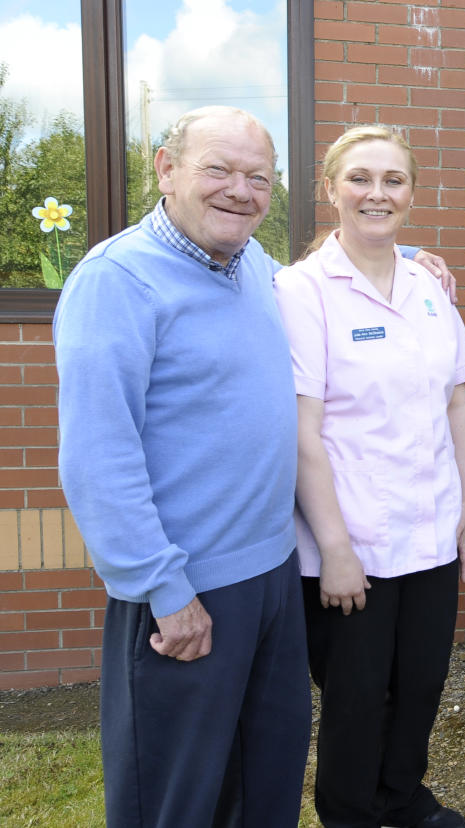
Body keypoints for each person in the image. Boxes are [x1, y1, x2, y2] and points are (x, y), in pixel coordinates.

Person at [54, 106, 311, 827]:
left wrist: (412, 262)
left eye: (258, 177)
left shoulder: (252, 263)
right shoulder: (118, 281)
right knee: (177, 800)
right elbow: (97, 456)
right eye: (219, 170)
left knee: (265, 785)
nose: (240, 190)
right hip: (185, 590)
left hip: (270, 577)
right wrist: (163, 587)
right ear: (167, 169)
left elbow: (323, 282)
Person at [273, 126, 465, 828]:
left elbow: (456, 394)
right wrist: (333, 549)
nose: (376, 193)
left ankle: (402, 797)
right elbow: (302, 428)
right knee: (357, 699)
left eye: (393, 180)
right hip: (351, 540)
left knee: (420, 683)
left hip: (429, 530)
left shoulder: (427, 285)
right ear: (330, 189)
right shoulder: (301, 292)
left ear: (412, 195)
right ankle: (351, 811)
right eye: (360, 178)